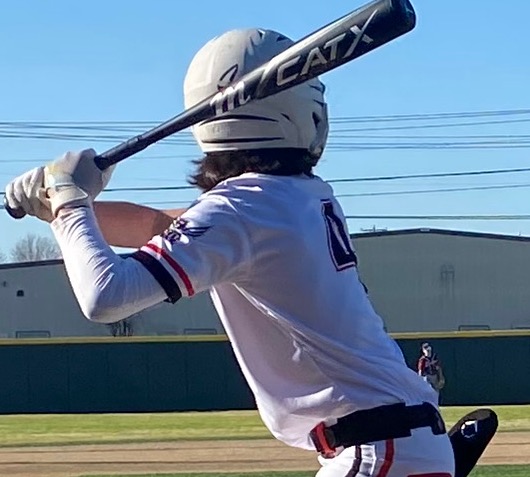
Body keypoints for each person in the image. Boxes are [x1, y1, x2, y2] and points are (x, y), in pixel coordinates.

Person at [5, 28, 455, 476]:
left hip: (377, 445)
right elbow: (156, 226)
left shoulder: (244, 208)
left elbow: (105, 295)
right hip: (394, 440)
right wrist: (65, 207)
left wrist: (70, 204)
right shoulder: (288, 197)